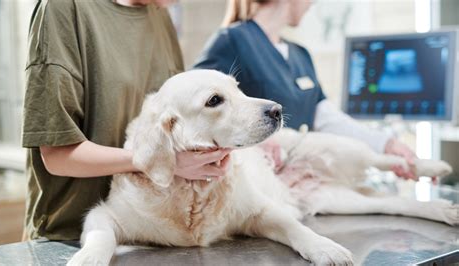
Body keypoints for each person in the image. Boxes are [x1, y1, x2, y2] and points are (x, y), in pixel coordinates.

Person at [22, 0, 230, 241]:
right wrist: (153, 159)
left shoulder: (160, 14)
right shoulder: (64, 9)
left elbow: (173, 129)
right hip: (69, 237)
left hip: (152, 233)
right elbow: (58, 156)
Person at [194, 0, 416, 179]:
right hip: (258, 187)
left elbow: (327, 119)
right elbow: (194, 112)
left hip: (301, 183)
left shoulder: (301, 54)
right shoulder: (231, 41)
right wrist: (255, 144)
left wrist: (386, 144)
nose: (313, 4)